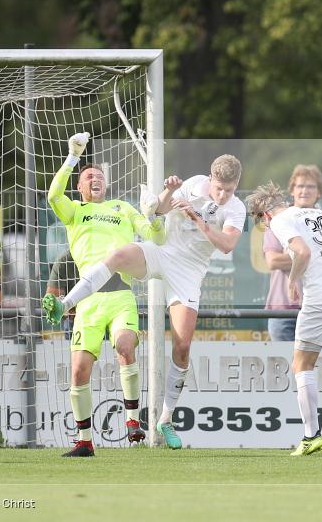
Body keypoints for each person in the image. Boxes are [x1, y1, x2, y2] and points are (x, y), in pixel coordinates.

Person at [43, 151, 246, 450]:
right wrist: (168, 191)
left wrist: (197, 218)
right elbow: (160, 210)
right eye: (219, 188)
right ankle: (67, 303)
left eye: (230, 190)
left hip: (189, 271)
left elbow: (227, 245)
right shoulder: (194, 184)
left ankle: (165, 419)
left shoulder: (236, 208)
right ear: (211, 178)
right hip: (161, 251)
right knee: (118, 254)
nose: (224, 194)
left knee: (182, 345)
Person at [43, 133, 166, 457]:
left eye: (99, 176)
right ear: (80, 187)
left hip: (120, 294)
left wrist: (154, 215)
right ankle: (84, 441)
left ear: (106, 185)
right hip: (88, 302)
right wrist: (72, 157)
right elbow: (53, 194)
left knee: (126, 345)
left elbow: (157, 237)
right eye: (88, 176)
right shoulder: (74, 211)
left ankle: (132, 422)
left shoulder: (122, 208)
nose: (94, 178)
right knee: (79, 370)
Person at [248, 182, 322, 455]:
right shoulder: (317, 213)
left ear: (265, 216)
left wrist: (293, 281)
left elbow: (303, 251)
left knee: (302, 365)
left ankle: (311, 436)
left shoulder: (279, 221)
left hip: (320, 296)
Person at [264, 165, 322, 341]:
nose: (304, 191)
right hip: (282, 310)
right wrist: (308, 255)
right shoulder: (278, 221)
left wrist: (303, 256)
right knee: (283, 367)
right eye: (300, 186)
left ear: (319, 192)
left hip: (316, 309)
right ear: (292, 190)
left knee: (315, 367)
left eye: (310, 186)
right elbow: (273, 261)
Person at [46, 250, 78, 338]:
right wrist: (67, 310)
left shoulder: (109, 253)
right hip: (77, 318)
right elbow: (52, 299)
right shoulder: (65, 259)